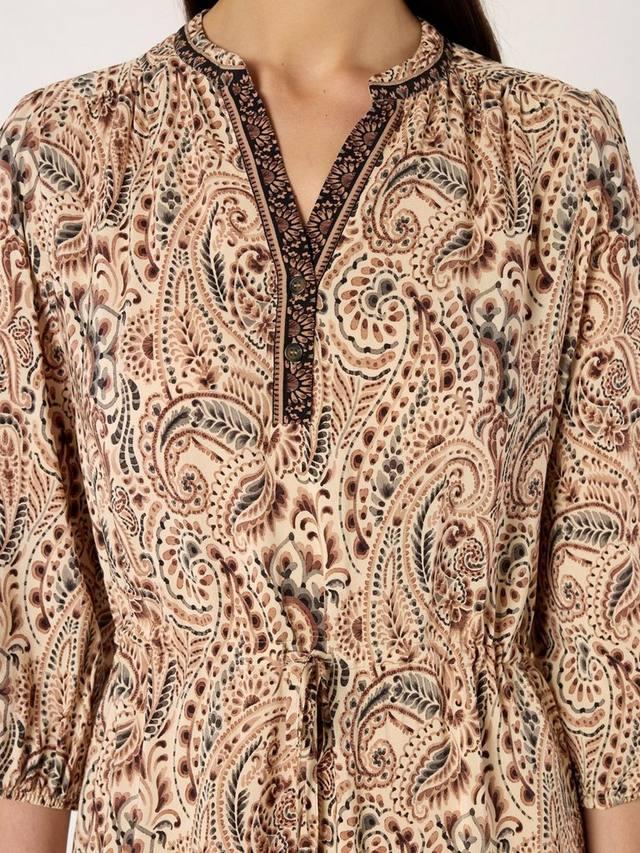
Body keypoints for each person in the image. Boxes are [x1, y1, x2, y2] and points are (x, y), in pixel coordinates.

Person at [0, 0, 639, 850]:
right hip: (171, 817)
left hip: (484, 816)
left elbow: (608, 591)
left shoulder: (554, 148)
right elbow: (33, 599)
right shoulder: (66, 154)